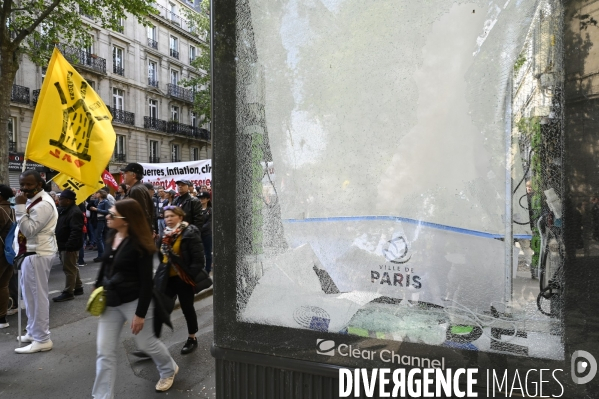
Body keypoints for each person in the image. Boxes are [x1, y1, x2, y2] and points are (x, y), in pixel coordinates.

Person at [92, 199, 178, 397]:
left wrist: (140, 314)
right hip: (111, 301)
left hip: (134, 301)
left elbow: (147, 283)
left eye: (112, 215)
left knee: (146, 343)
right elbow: (106, 264)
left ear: (127, 220)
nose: (107, 216)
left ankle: (168, 369)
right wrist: (98, 284)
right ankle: (102, 396)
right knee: (104, 352)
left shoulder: (141, 244)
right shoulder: (112, 234)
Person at [14, 170, 58, 354]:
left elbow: (29, 229)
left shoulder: (44, 204)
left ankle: (42, 339)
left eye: (29, 185)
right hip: (30, 254)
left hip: (37, 253)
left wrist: (19, 208)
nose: (24, 188)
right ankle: (33, 332)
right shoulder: (34, 200)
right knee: (30, 296)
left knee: (36, 297)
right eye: (22, 184)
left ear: (39, 185)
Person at [155, 206, 206, 355]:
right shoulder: (164, 234)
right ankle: (152, 343)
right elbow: (161, 257)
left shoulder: (190, 233)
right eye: (166, 216)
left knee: (187, 308)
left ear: (180, 217)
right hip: (167, 278)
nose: (168, 219)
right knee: (161, 308)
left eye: (172, 216)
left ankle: (192, 338)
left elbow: (198, 260)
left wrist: (189, 275)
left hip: (183, 278)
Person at [52, 189, 84, 302]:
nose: (59, 200)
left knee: (69, 268)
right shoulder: (65, 210)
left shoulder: (74, 212)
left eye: (61, 199)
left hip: (68, 245)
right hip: (64, 244)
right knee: (72, 266)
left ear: (68, 201)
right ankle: (78, 287)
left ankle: (68, 291)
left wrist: (70, 245)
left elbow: (76, 230)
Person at [122, 163, 154, 234]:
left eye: (125, 173)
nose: (123, 175)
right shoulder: (138, 187)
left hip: (137, 231)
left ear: (133, 175)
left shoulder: (136, 189)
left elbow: (141, 213)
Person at [0, 185, 15, 328]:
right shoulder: (12, 209)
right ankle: (2, 318)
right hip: (8, 252)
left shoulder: (0, 210)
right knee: (3, 285)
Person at [90, 190, 110, 262]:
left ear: (101, 194)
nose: (95, 194)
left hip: (102, 220)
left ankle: (101, 255)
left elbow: (107, 211)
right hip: (97, 220)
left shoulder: (105, 201)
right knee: (100, 237)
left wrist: (97, 209)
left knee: (99, 237)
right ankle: (102, 254)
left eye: (97, 193)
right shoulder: (96, 201)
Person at [197, 191, 213, 274]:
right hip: (198, 234)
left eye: (203, 198)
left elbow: (209, 223)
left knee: (207, 252)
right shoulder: (197, 209)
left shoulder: (210, 210)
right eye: (200, 198)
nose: (201, 200)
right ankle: (201, 268)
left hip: (207, 234)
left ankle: (207, 269)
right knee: (200, 252)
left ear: (207, 199)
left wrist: (199, 228)